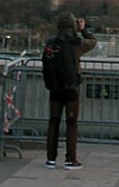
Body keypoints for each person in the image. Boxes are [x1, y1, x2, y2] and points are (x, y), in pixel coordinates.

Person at [40, 11, 96, 169]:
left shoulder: (51, 42)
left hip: (55, 88)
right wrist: (83, 29)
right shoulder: (77, 43)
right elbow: (92, 41)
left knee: (53, 123)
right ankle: (70, 159)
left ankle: (51, 158)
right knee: (71, 124)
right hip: (71, 88)